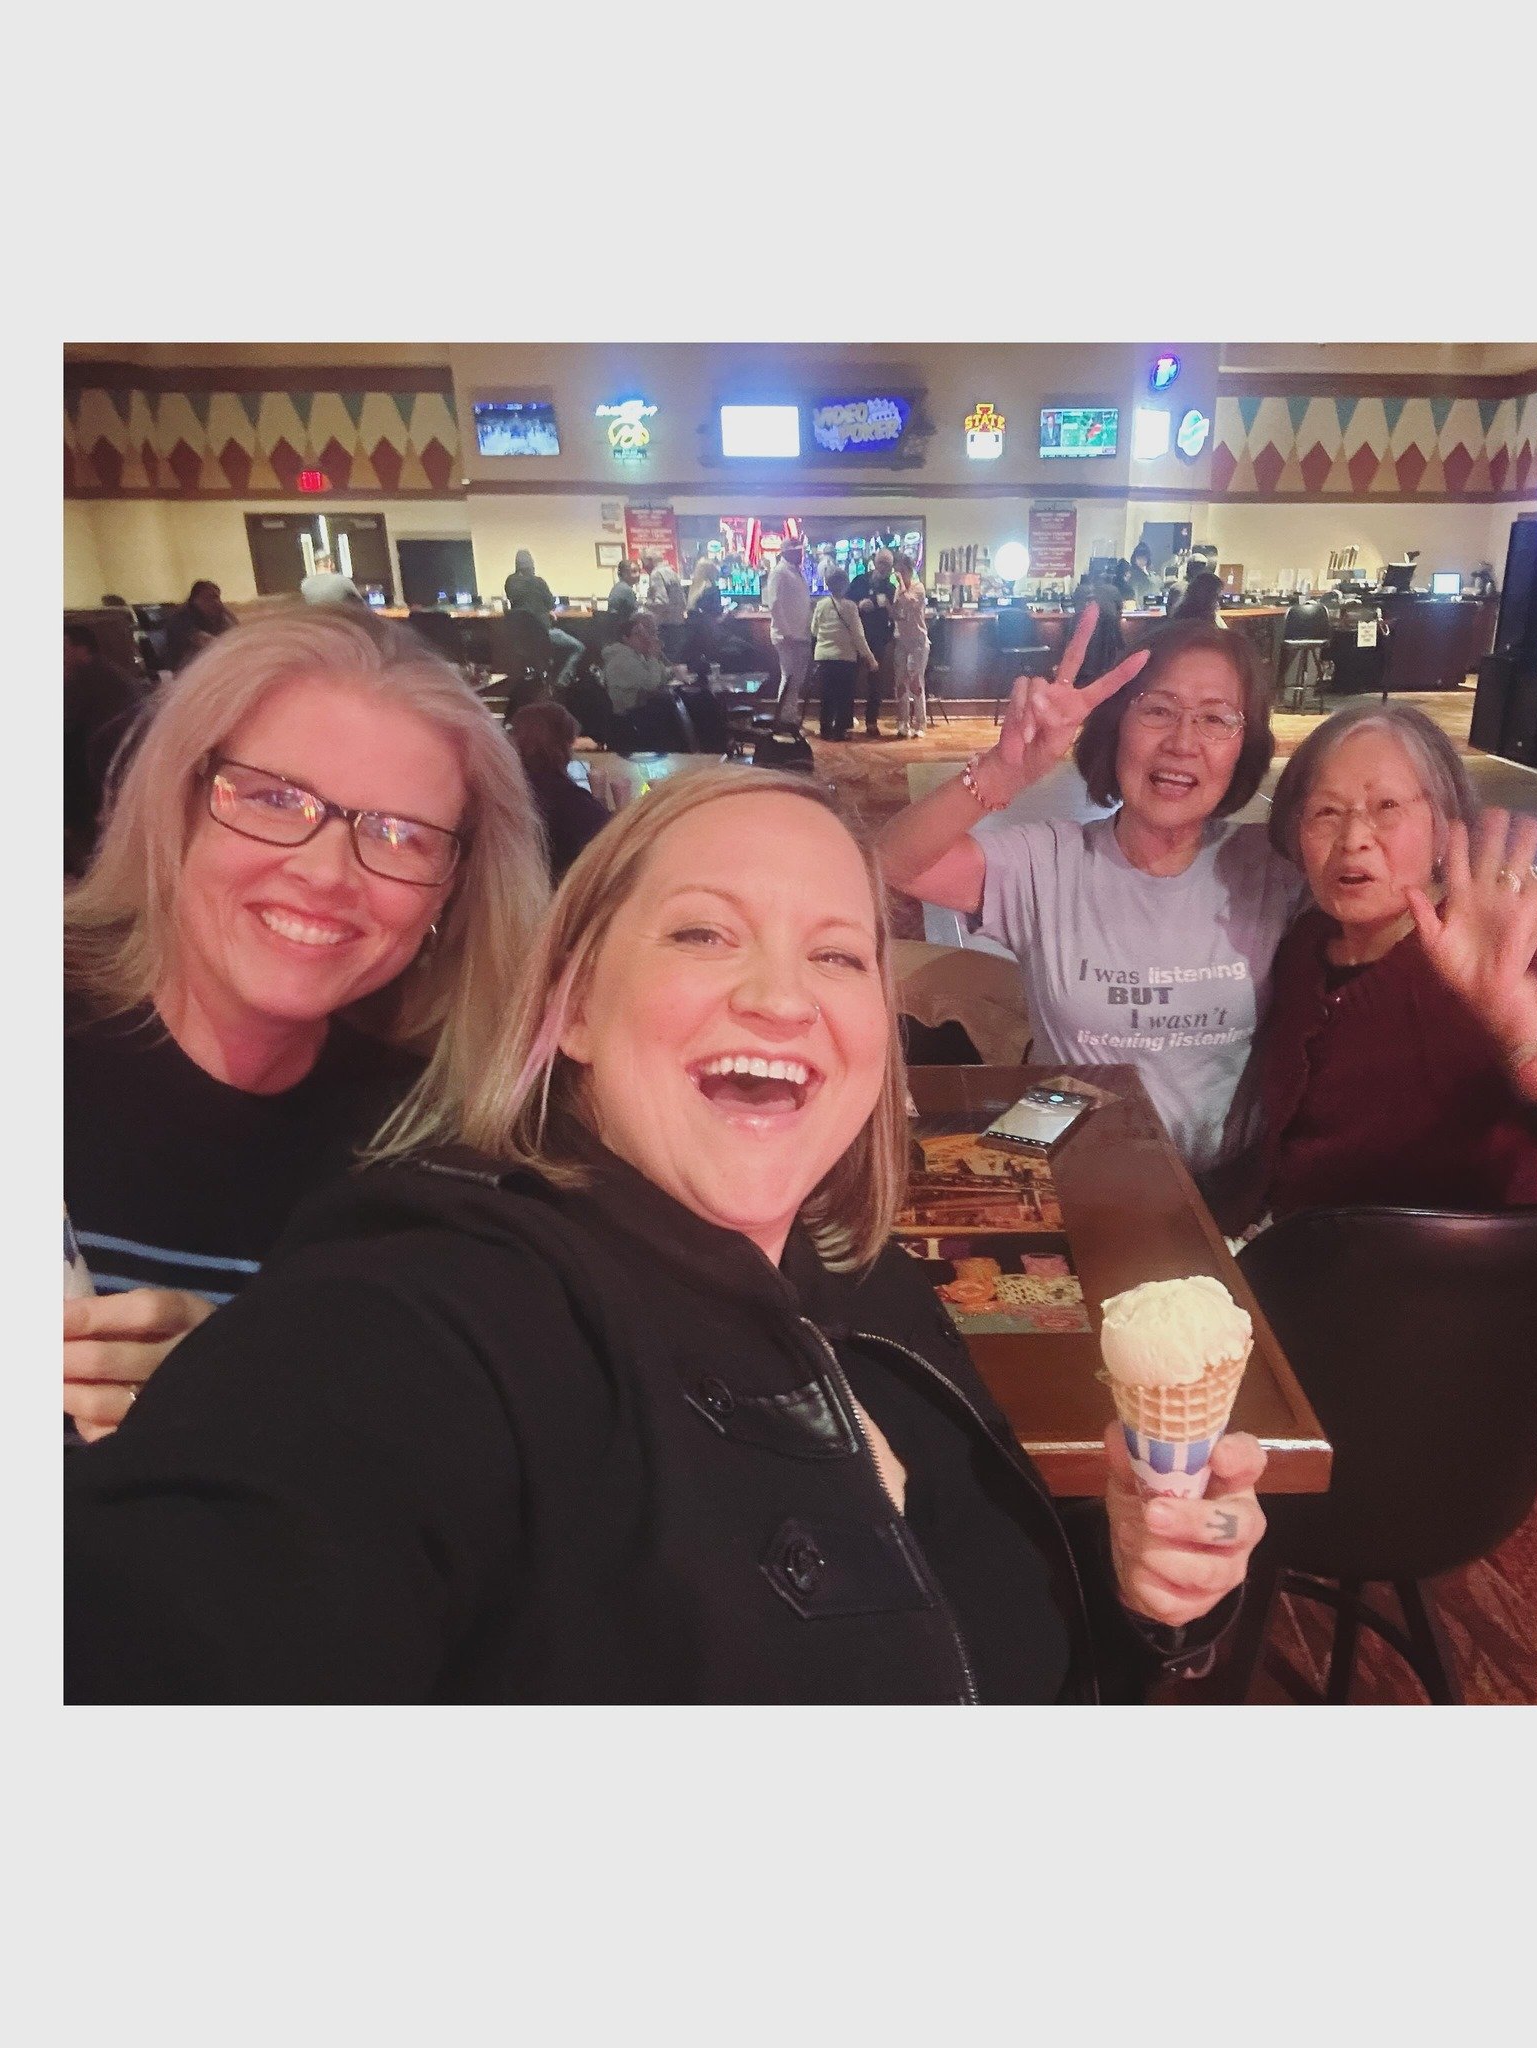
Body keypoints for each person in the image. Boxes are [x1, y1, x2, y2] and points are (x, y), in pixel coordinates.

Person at [63, 770, 1268, 1701]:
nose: (782, 996)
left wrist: (1142, 1587)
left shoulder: (866, 1278)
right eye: (702, 932)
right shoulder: (437, 1312)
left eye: (839, 953)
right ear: (571, 1003)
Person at [62, 608, 549, 1441]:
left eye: (399, 834)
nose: (326, 873)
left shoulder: (439, 1142)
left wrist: (260, 1393)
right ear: (175, 803)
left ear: (452, 889)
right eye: (274, 798)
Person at [877, 610, 1304, 1174]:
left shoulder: (1271, 866)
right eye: (1158, 710)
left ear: (1244, 747)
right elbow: (889, 863)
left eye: (1215, 719)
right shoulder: (1049, 863)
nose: (1183, 742)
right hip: (1077, 1179)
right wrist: (1001, 776)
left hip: (1227, 1195)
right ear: (1116, 725)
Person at [1211, 702, 1537, 1233]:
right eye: (1326, 812)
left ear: (1444, 829)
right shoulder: (1308, 943)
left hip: (1437, 1284)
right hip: (1303, 1251)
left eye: (1386, 806)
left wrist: (1510, 1010)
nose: (1354, 839)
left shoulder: (1484, 951)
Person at [63, 624, 146, 877]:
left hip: (107, 769)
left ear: (80, 648)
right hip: (126, 762)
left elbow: (65, 725)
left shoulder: (86, 678)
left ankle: (83, 873)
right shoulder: (108, 671)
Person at [509, 700, 610, 881]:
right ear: (562, 745)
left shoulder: (506, 787)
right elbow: (610, 840)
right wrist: (601, 798)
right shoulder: (567, 799)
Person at [810, 566, 876, 741]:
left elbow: (814, 630)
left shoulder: (821, 605)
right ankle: (840, 730)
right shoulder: (850, 607)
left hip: (824, 656)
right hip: (845, 657)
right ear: (846, 585)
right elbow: (858, 636)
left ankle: (825, 728)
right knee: (844, 695)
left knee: (827, 694)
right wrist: (870, 658)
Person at [504, 549, 585, 691]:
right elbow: (551, 604)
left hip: (521, 639)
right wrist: (547, 611)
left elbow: (515, 601)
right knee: (578, 647)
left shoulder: (510, 582)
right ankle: (561, 682)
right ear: (532, 565)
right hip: (543, 634)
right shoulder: (538, 582)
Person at [600, 610, 681, 749]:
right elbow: (651, 684)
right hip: (628, 721)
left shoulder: (636, 655)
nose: (645, 637)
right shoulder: (622, 658)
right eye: (638, 634)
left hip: (639, 714)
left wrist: (660, 663)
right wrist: (653, 657)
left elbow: (659, 677)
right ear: (625, 638)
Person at [763, 536, 814, 728]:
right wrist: (786, 633)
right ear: (787, 553)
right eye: (797, 551)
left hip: (800, 634)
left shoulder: (794, 571)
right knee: (789, 677)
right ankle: (784, 718)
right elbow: (774, 604)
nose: (801, 554)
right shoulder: (779, 572)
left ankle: (789, 715)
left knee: (796, 679)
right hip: (788, 636)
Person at [848, 547, 899, 737]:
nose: (884, 567)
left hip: (877, 639)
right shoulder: (859, 581)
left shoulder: (891, 588)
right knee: (850, 680)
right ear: (875, 562)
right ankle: (846, 719)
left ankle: (871, 722)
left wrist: (887, 636)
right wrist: (860, 605)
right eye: (881, 563)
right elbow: (845, 603)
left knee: (875, 682)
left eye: (888, 564)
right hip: (855, 637)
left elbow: (893, 615)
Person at [888, 550, 931, 739]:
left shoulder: (918, 587)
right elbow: (898, 612)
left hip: (918, 642)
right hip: (902, 641)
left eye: (901, 571)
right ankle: (903, 721)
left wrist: (901, 585)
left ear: (908, 570)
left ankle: (920, 722)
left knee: (916, 683)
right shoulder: (899, 589)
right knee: (900, 683)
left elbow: (910, 603)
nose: (899, 575)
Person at [162, 580, 236, 673]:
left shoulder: (217, 615)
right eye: (209, 598)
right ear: (195, 600)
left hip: (211, 666)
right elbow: (205, 641)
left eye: (217, 597)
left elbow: (236, 632)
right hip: (187, 672)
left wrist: (225, 612)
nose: (216, 602)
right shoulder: (181, 618)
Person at [641, 547, 688, 661]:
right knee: (676, 661)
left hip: (665, 626)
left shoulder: (656, 574)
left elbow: (661, 602)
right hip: (678, 623)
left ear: (649, 560)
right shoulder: (671, 572)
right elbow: (682, 600)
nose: (643, 567)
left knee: (666, 662)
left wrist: (644, 604)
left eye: (643, 562)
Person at [604, 554, 642, 628]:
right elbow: (635, 613)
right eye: (634, 571)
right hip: (624, 629)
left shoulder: (618, 586)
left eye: (639, 571)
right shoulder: (626, 590)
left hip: (615, 628)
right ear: (624, 574)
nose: (638, 574)